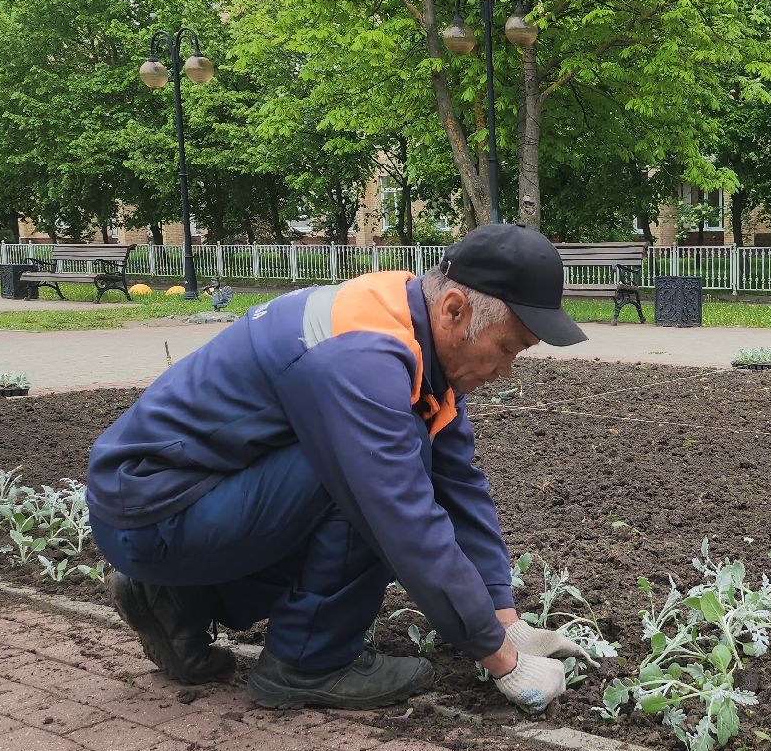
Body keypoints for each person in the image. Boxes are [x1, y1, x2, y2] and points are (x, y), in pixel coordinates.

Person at [85, 224, 591, 714]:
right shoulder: (362, 358)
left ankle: (177, 600)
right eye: (507, 348)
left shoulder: (407, 324)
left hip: (176, 499)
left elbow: (458, 483)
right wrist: (505, 665)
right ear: (455, 310)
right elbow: (404, 520)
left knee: (393, 459)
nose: (505, 371)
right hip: (154, 511)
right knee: (374, 479)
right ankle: (310, 660)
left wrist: (505, 619)